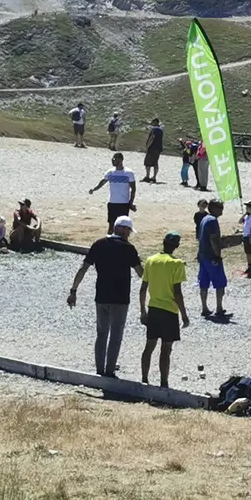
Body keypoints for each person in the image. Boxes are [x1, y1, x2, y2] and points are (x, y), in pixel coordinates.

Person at [67, 215, 142, 377]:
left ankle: (99, 369)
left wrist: (73, 290)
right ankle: (109, 371)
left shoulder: (98, 244)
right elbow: (140, 273)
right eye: (128, 231)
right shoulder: (128, 248)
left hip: (101, 296)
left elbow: (83, 268)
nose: (128, 234)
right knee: (116, 335)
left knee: (101, 334)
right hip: (121, 298)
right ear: (122, 229)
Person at [139, 231, 190, 387]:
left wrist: (143, 311)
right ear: (177, 246)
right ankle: (164, 382)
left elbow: (142, 289)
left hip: (153, 308)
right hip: (169, 311)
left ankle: (144, 379)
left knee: (149, 346)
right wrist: (184, 315)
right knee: (166, 349)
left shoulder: (150, 260)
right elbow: (177, 293)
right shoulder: (177, 264)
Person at [196, 199, 230, 320]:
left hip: (203, 255)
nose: (222, 210)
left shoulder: (204, 219)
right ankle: (219, 307)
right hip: (211, 257)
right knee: (220, 282)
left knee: (203, 282)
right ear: (215, 208)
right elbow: (214, 239)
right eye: (220, 208)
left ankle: (204, 307)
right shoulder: (213, 221)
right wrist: (217, 255)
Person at [89, 153, 137, 228]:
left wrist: (130, 203)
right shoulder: (110, 172)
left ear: (121, 160)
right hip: (112, 203)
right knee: (111, 225)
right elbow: (102, 182)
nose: (113, 161)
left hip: (124, 203)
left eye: (115, 159)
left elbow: (133, 189)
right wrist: (94, 189)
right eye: (112, 159)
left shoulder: (128, 173)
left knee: (123, 226)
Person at [143, 117, 164, 183]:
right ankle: (154, 177)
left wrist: (147, 146)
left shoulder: (154, 129)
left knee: (147, 162)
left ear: (155, 122)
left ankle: (147, 176)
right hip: (158, 148)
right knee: (155, 162)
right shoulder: (161, 130)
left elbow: (152, 138)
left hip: (152, 148)